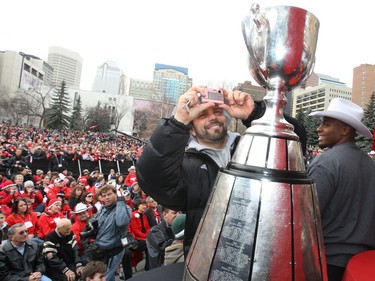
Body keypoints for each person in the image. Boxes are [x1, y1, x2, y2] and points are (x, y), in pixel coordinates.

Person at [136, 86, 255, 256]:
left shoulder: (251, 147)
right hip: (211, 258)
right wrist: (177, 123)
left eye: (217, 112)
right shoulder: (187, 167)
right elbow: (153, 179)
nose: (212, 118)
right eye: (202, 115)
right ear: (191, 128)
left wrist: (254, 115)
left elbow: (294, 148)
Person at [307, 98, 375, 281]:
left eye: (326, 124)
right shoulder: (371, 165)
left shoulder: (325, 162)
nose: (319, 128)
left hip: (328, 262)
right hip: (363, 264)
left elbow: (306, 216)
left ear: (345, 130)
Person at [90, 184, 132, 281]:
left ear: (116, 194)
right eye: (104, 196)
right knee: (108, 275)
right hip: (100, 248)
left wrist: (121, 202)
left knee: (105, 276)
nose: (107, 198)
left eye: (109, 194)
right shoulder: (102, 208)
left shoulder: (125, 208)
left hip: (114, 249)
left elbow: (121, 222)